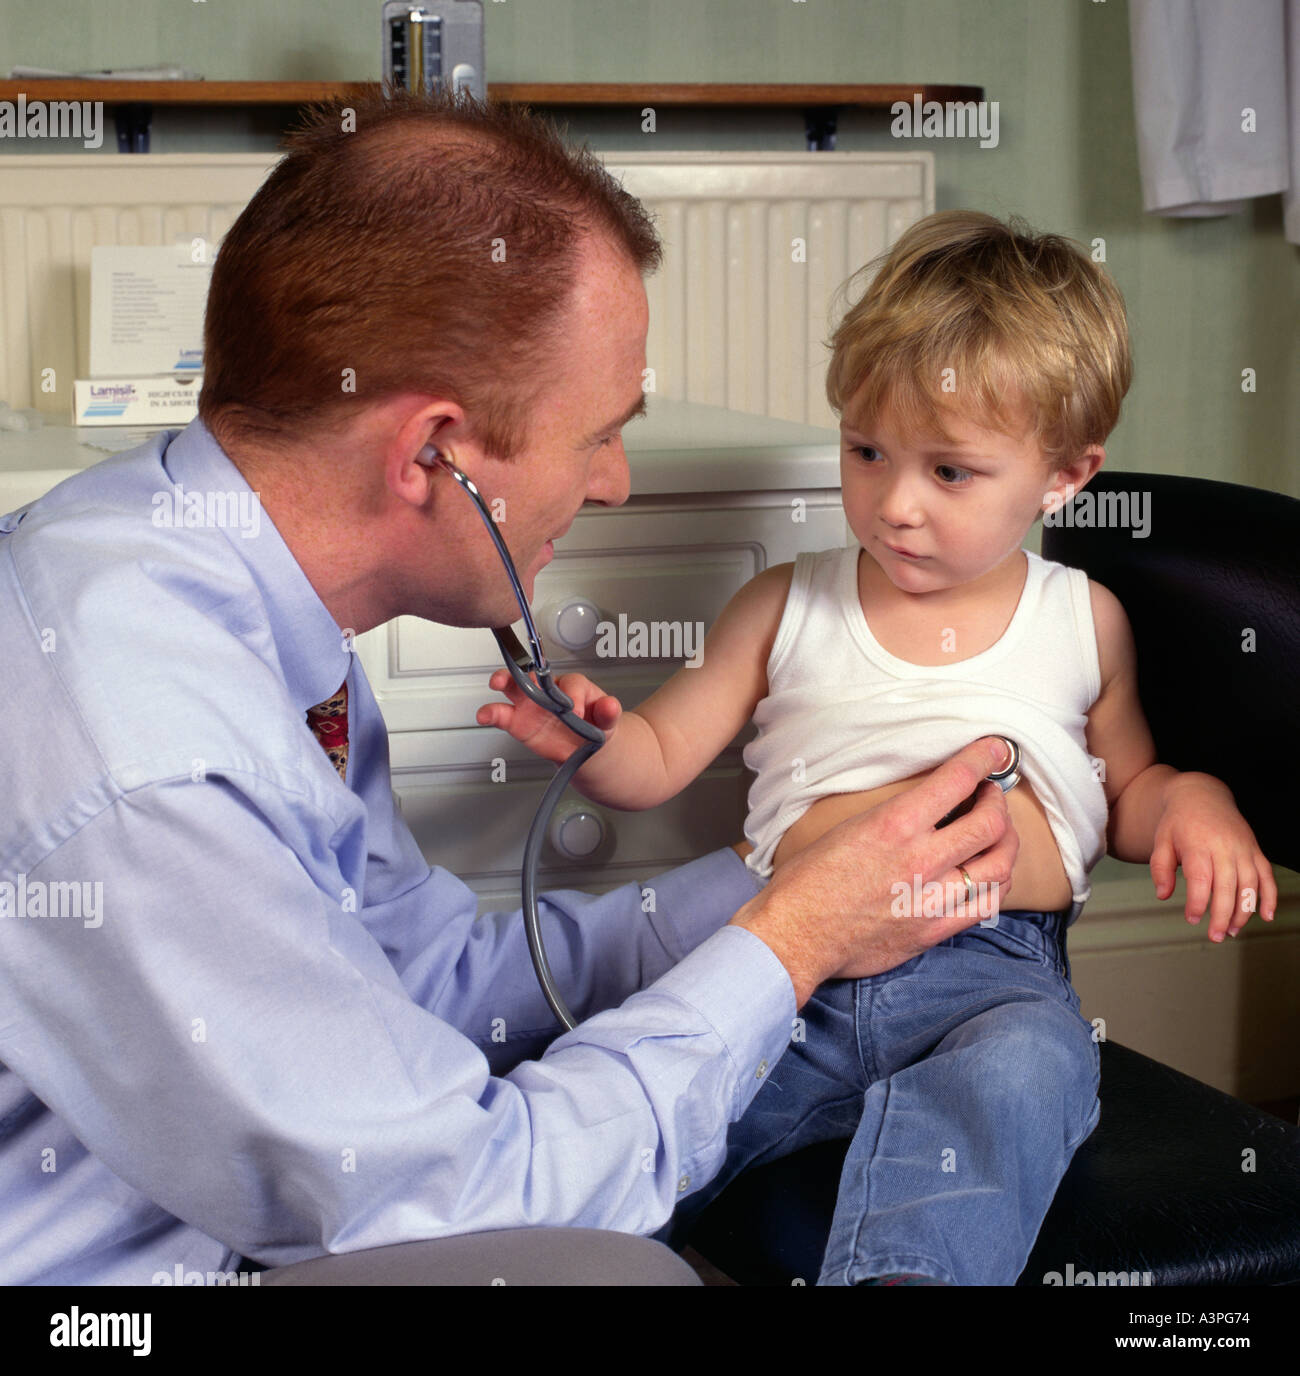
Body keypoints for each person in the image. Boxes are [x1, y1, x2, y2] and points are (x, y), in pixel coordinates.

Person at [0, 91, 1021, 1286]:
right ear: (432, 452)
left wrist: (777, 883)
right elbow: (463, 1191)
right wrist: (787, 947)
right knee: (619, 1278)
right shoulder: (150, 755)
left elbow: (425, 977)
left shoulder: (212, 583)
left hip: (233, 1197)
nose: (616, 481)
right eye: (596, 432)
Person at [479, 209, 1279, 1285]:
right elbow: (660, 753)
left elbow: (1125, 786)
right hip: (787, 967)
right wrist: (591, 739)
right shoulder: (784, 603)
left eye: (949, 472)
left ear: (1064, 474)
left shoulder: (1081, 619)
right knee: (655, 1095)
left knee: (1021, 1077)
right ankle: (512, 1249)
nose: (894, 505)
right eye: (865, 451)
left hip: (992, 977)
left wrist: (1191, 796)